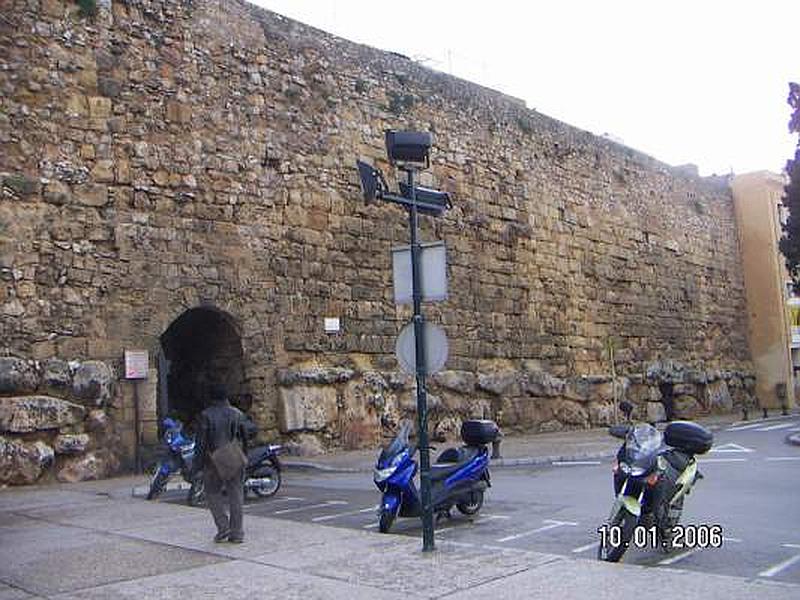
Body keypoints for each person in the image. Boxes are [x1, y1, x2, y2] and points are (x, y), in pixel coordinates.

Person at [193, 383, 248, 543]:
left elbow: (201, 443)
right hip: (234, 455)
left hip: (213, 459)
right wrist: (244, 455)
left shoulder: (206, 415)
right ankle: (237, 533)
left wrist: (197, 465)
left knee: (212, 493)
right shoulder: (237, 413)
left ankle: (223, 527)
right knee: (236, 495)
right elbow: (245, 437)